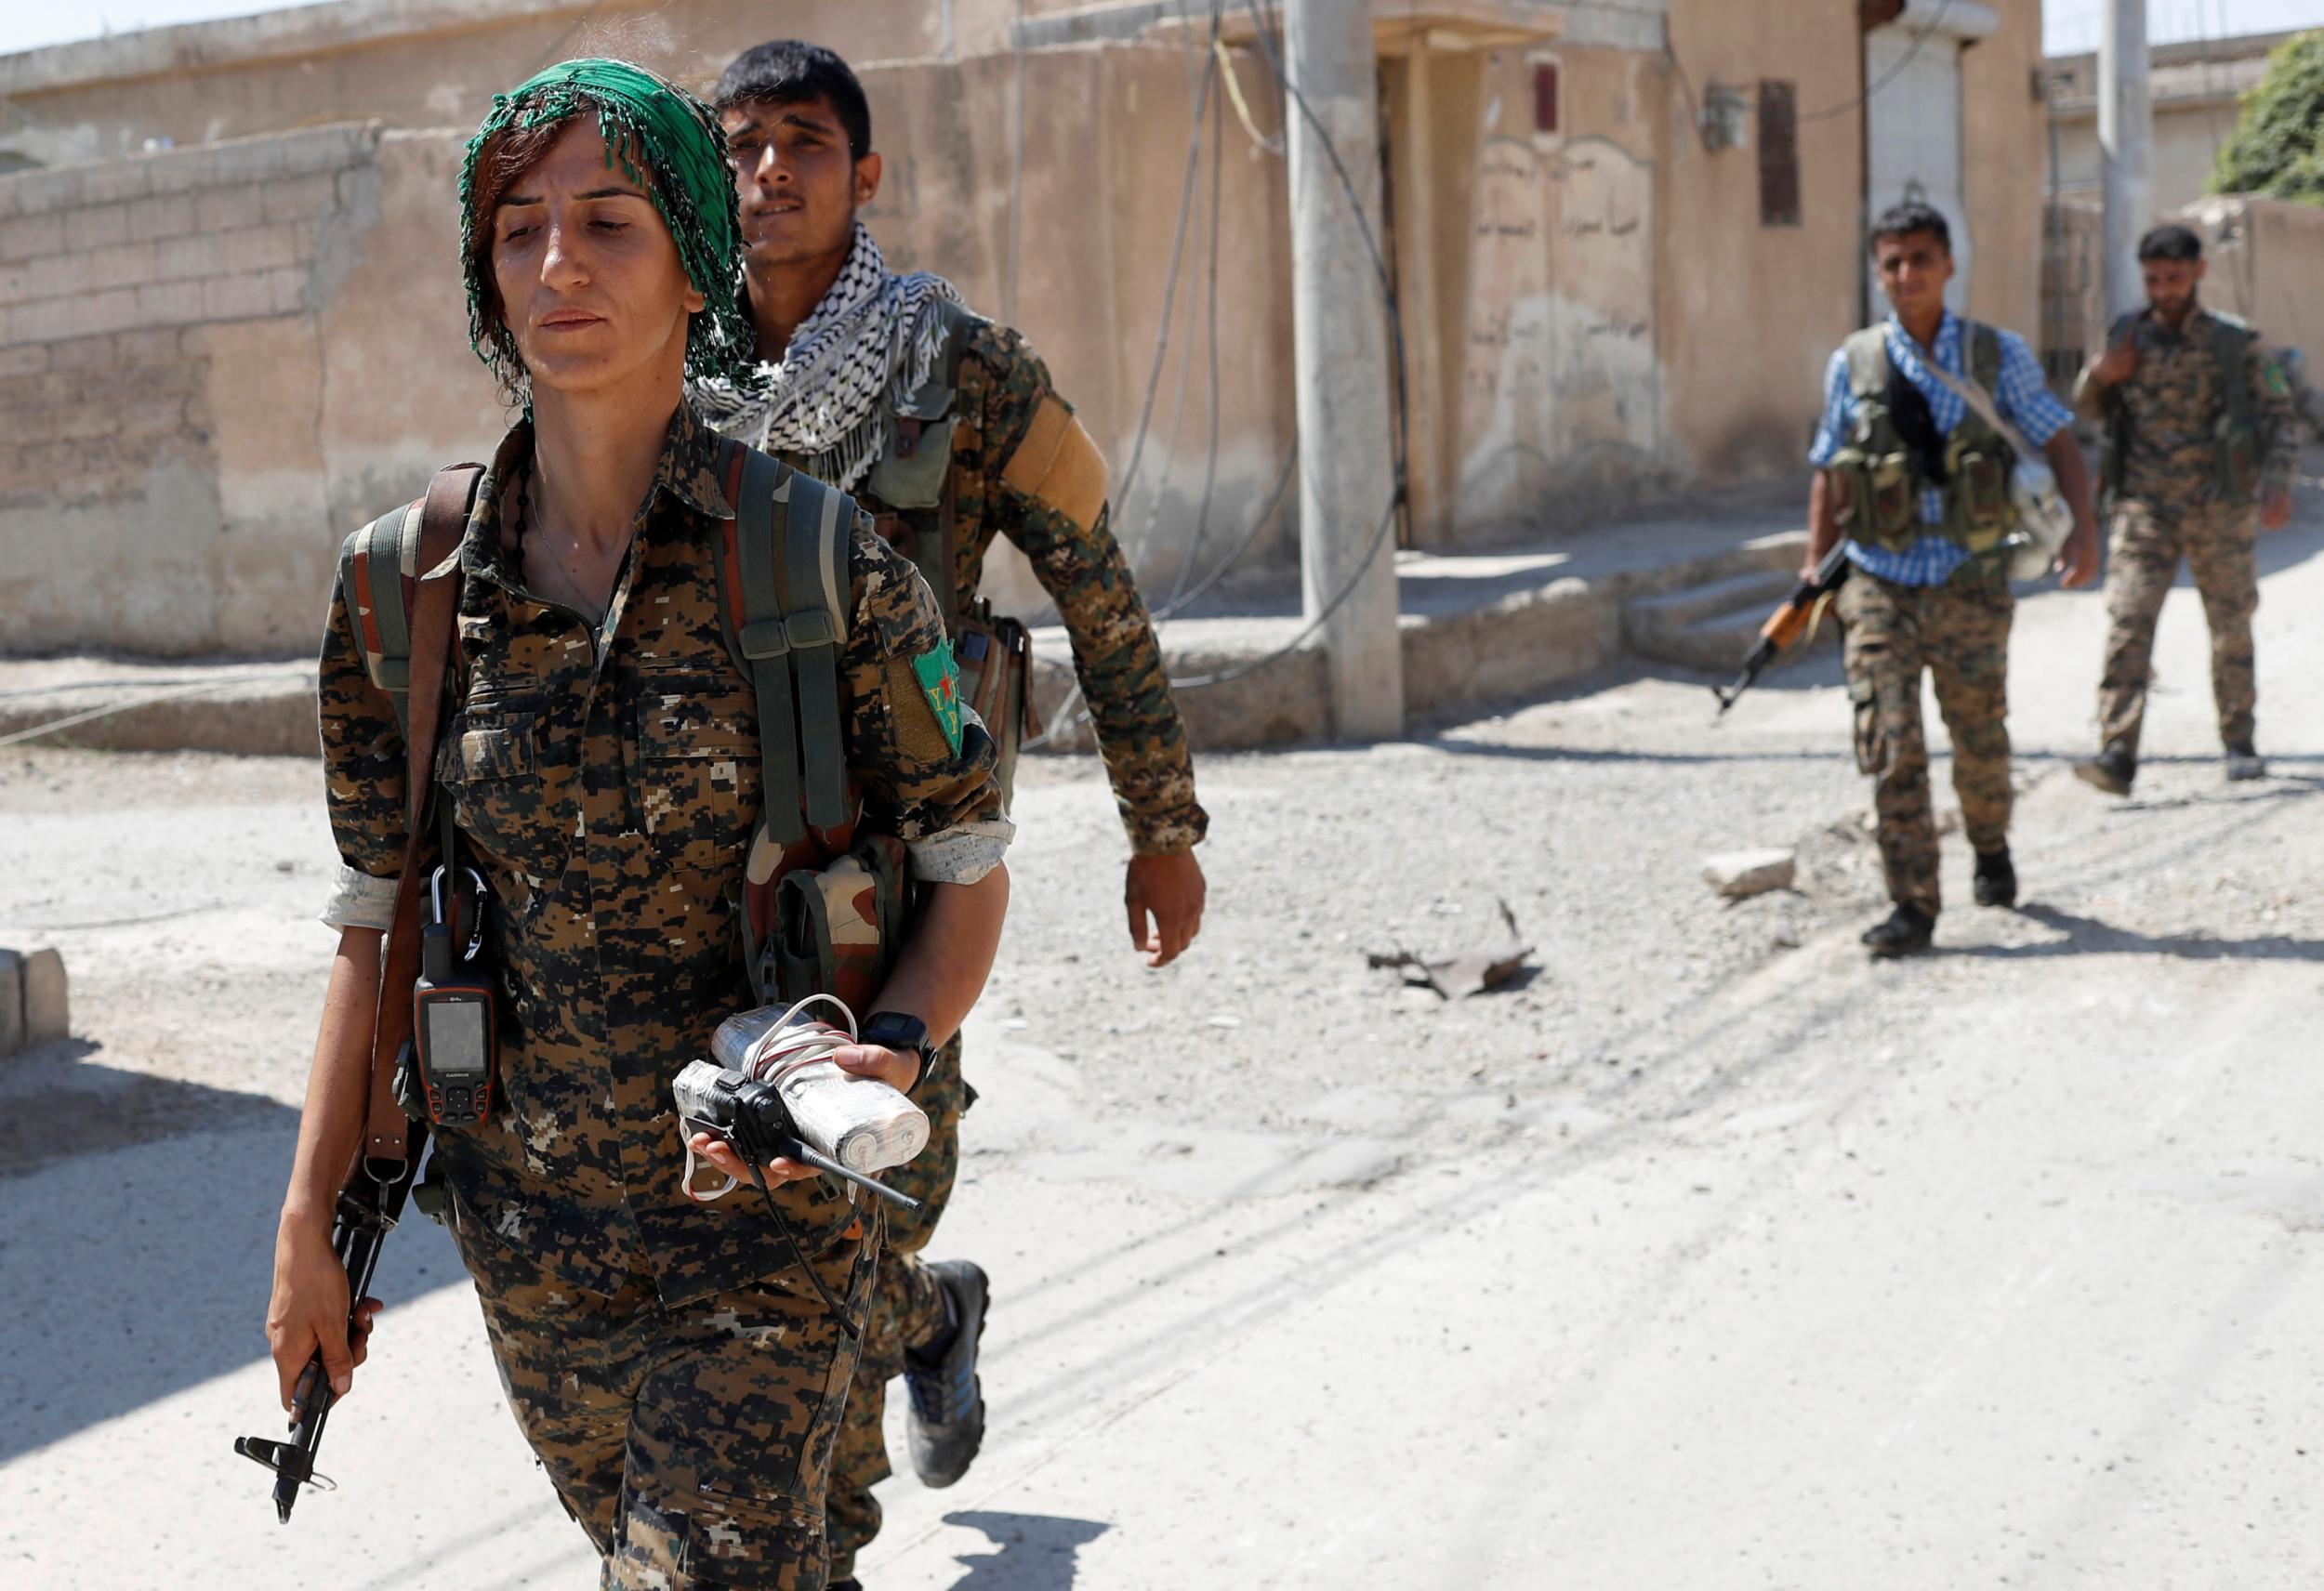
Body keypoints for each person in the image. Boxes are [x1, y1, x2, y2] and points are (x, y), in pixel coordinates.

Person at [264, 59, 1010, 1590]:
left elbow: (962, 866)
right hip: (529, 1231)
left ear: (692, 266)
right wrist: (312, 1225)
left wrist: (901, 1046)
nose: (557, 263)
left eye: (607, 223)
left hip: (769, 1217)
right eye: (518, 227)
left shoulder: (818, 559)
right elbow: (377, 924)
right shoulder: (396, 587)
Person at [695, 41, 1211, 1586]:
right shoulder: (666, 373)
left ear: (869, 177)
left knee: (867, 1179)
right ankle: (900, 1362)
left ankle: (925, 1310)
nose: (767, 170)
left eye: (803, 141)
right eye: (739, 147)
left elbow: (1099, 594)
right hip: (717, 856)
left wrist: (1161, 821)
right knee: (746, 1204)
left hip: (919, 862)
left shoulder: (962, 369)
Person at [1802, 202, 2097, 959]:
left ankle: (1991, 844)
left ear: (1948, 266)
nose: (1907, 276)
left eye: (1920, 260)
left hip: (1970, 577)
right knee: (1890, 742)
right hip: (1880, 579)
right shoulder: (1856, 362)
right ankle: (1913, 904)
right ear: (1879, 271)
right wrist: (1817, 569)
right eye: (1892, 263)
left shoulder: (1996, 357)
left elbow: (2057, 440)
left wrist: (2084, 532)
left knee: (1978, 735)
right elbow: (1830, 469)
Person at [2070, 224, 2299, 794]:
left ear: (2197, 272)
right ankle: (2117, 752)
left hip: (2217, 505)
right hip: (2143, 508)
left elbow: (2281, 415)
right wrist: (2100, 375)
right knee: (2128, 623)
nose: (2164, 290)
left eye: (2174, 277)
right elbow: (2089, 409)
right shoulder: (2127, 334)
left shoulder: (2235, 341)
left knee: (2230, 626)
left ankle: (2239, 742)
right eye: (2153, 279)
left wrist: (2276, 483)